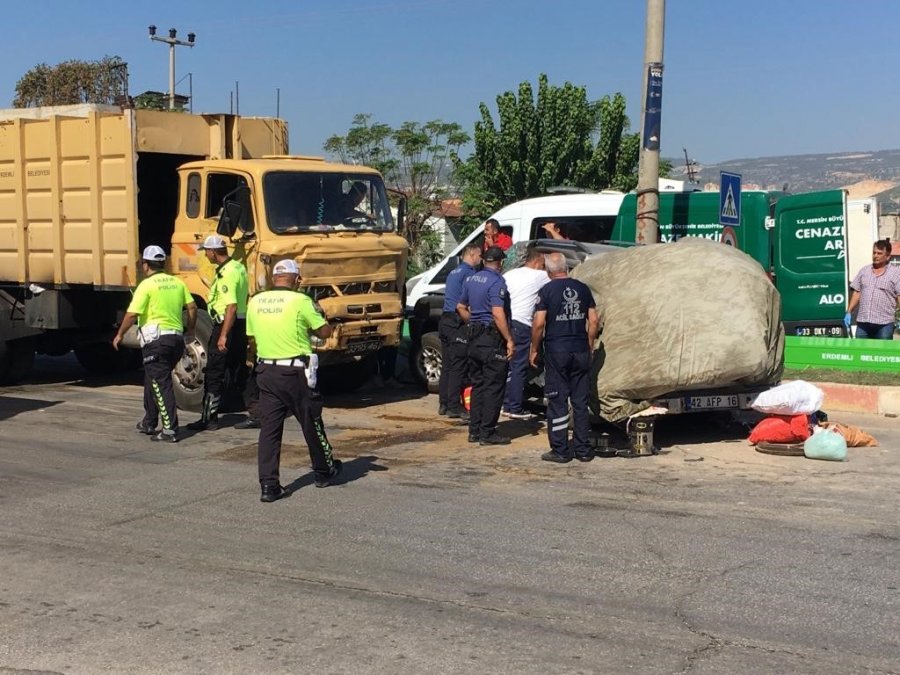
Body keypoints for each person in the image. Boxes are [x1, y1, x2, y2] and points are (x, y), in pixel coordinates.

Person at [246, 258, 342, 503]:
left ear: (274, 278)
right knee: (311, 422)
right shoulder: (301, 301)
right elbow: (324, 332)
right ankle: (323, 470)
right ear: (297, 279)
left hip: (266, 371)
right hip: (295, 373)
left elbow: (253, 339)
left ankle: (269, 486)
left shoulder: (256, 301)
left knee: (269, 429)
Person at [113, 245, 197, 443]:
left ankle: (170, 430)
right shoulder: (177, 283)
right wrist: (191, 330)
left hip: (156, 341)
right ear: (163, 263)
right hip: (175, 340)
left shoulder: (147, 285)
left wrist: (120, 334)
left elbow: (132, 314)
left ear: (145, 265)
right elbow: (192, 307)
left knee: (161, 383)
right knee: (153, 379)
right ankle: (149, 421)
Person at [529, 252, 599, 463]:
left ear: (549, 271)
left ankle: (560, 450)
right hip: (580, 350)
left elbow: (539, 323)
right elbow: (594, 320)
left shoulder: (547, 291)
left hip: (557, 351)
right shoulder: (582, 288)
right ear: (567, 268)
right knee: (580, 401)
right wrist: (589, 344)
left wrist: (534, 348)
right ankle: (583, 449)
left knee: (558, 401)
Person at [187, 235, 250, 431]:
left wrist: (223, 335)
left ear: (214, 251)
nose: (205, 254)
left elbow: (230, 306)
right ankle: (257, 413)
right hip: (238, 325)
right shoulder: (238, 267)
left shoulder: (227, 273)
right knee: (239, 370)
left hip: (226, 325)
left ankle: (209, 418)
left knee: (214, 372)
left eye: (206, 250)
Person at [456, 246, 514, 445]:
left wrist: (473, 323)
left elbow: (460, 306)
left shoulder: (472, 279)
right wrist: (509, 339)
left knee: (478, 385)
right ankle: (487, 433)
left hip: (474, 338)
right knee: (494, 387)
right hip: (491, 340)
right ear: (500, 263)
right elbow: (498, 313)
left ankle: (474, 430)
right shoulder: (497, 281)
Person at [501, 247, 549, 420]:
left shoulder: (510, 274)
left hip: (505, 323)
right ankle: (513, 407)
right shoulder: (539, 276)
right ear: (537, 262)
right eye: (543, 265)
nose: (544, 268)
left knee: (506, 365)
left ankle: (503, 402)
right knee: (518, 367)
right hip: (522, 325)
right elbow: (561, 276)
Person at [438, 243, 482, 420]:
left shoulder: (454, 272)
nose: (480, 259)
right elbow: (467, 301)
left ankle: (444, 403)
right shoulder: (469, 274)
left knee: (447, 365)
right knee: (458, 366)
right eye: (479, 255)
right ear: (471, 254)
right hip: (457, 321)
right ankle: (454, 406)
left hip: (445, 320)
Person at [845, 239, 900, 340]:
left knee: (882, 354)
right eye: (874, 252)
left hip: (884, 325)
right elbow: (857, 292)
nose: (875, 255)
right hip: (863, 324)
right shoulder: (864, 271)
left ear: (887, 256)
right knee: (860, 353)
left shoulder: (896, 273)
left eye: (879, 253)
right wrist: (849, 312)